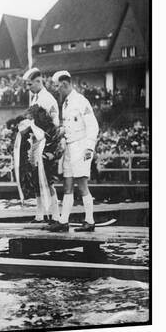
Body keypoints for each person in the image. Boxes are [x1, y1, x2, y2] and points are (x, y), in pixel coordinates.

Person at [48, 70, 99, 232]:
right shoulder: (66, 102)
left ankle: (90, 221)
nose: (56, 89)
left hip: (81, 147)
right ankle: (63, 221)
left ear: (64, 84)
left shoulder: (80, 101)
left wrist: (90, 147)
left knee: (82, 185)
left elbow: (92, 125)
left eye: (57, 86)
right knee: (67, 184)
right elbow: (70, 125)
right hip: (70, 147)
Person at [21, 67, 61, 222]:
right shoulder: (35, 97)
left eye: (30, 84)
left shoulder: (48, 98)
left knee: (47, 179)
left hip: (47, 143)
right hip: (35, 143)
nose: (28, 88)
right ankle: (40, 214)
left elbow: (55, 124)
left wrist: (51, 147)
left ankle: (56, 215)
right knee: (35, 179)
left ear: (38, 81)